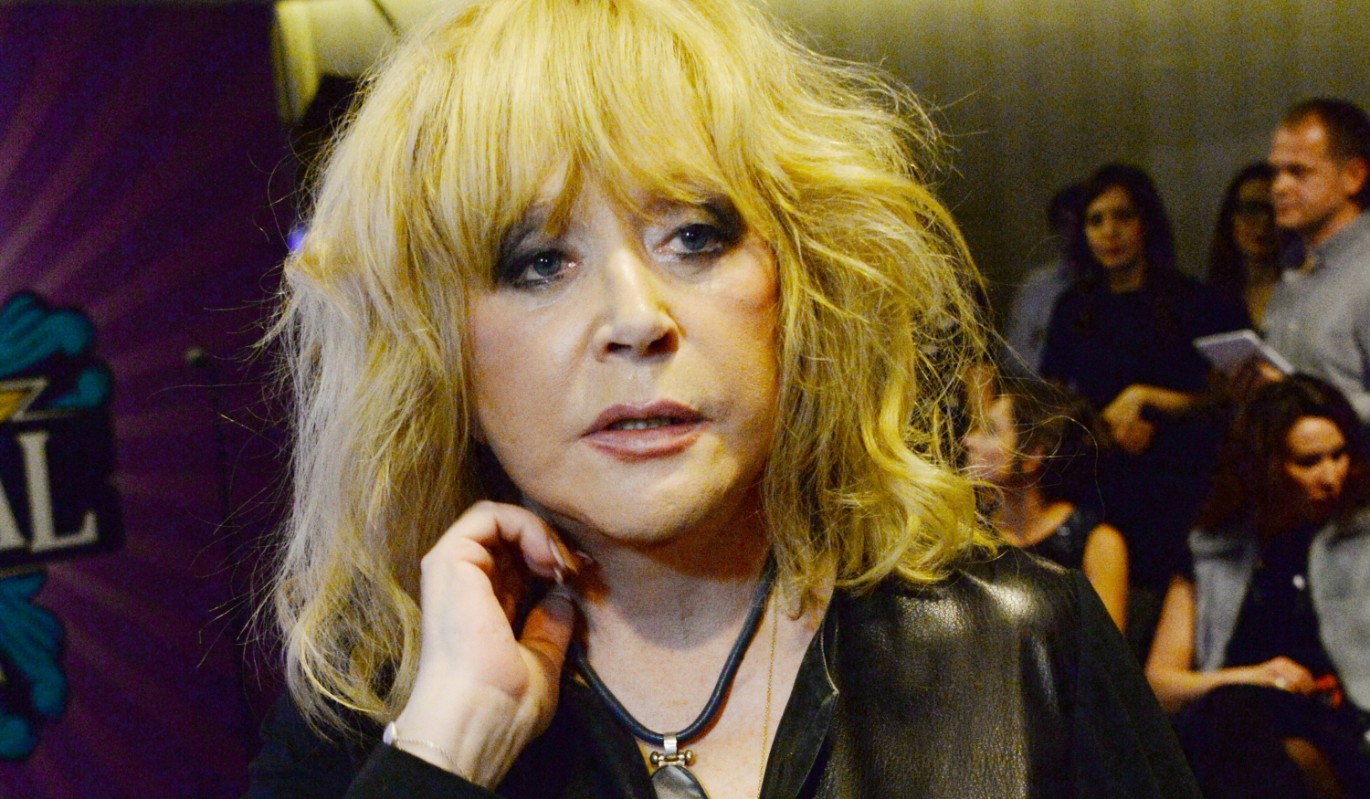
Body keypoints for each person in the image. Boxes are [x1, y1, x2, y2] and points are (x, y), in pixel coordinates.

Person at [245, 2, 1201, 797]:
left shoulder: (1025, 645)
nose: (635, 318)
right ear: (433, 347)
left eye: (694, 237)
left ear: (803, 283)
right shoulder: (368, 712)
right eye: (538, 261)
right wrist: (443, 756)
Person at [1040, 163, 1250, 658]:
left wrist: (1149, 397)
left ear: (1146, 222)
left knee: (1170, 636)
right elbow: (1052, 402)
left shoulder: (1194, 301)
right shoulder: (1073, 307)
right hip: (1100, 482)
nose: (1109, 232)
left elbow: (1225, 401)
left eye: (1123, 217)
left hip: (1180, 483)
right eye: (1095, 220)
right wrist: (1103, 427)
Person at [1145, 376, 1370, 799]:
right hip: (1233, 728)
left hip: (1340, 730)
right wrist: (1255, 677)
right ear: (1267, 467)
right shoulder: (1216, 548)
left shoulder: (1360, 541)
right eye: (1309, 462)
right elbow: (1160, 685)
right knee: (1231, 716)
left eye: (1339, 455)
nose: (1331, 476)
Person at [964, 377, 1129, 628]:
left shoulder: (1097, 544)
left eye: (991, 431)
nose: (969, 440)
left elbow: (1102, 648)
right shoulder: (971, 528)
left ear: (1032, 455)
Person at [1262, 99, 1370, 429]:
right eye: (1275, 172)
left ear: (1353, 176)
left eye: (1298, 171)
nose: (1279, 187)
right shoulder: (1293, 267)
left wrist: (1306, 403)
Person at [1002, 182, 1084, 376]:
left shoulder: (1113, 287)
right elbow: (1015, 354)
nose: (1072, 234)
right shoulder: (1037, 286)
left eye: (1080, 224)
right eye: (1064, 224)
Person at [1207, 162, 1290, 327]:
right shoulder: (1212, 297)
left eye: (1274, 210)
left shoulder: (1301, 291)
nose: (1264, 222)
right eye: (1252, 209)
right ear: (1231, 217)